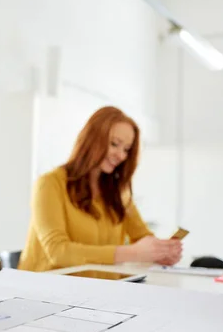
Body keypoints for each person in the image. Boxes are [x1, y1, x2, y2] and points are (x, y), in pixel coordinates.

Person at [18, 106, 182, 272]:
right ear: (92, 138)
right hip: (48, 289)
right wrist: (132, 253)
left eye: (126, 149)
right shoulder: (49, 184)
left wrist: (161, 252)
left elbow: (142, 236)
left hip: (100, 289)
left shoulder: (118, 193)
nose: (121, 156)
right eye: (114, 144)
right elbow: (58, 252)